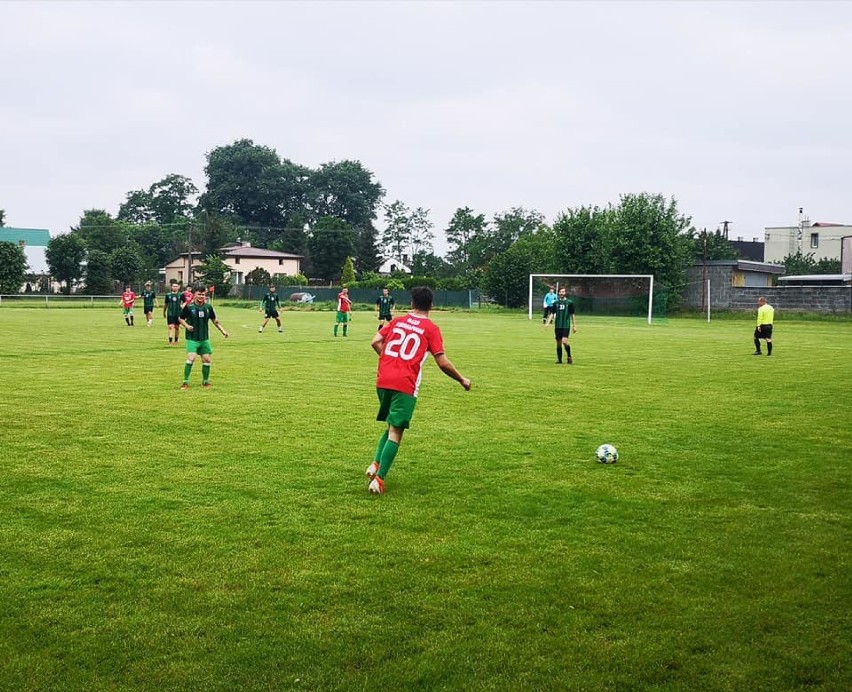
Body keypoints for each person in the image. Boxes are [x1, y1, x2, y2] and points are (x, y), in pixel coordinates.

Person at [366, 286, 471, 494]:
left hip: (383, 379)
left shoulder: (397, 321)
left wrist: (388, 360)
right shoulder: (431, 329)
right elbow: (442, 362)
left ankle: (375, 464)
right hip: (405, 383)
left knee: (390, 425)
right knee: (396, 431)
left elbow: (375, 341)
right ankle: (379, 480)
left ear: (412, 303)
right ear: (431, 305)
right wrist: (462, 379)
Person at [178, 285, 229, 389]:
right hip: (192, 338)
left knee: (207, 360)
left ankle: (205, 382)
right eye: (199, 294)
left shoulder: (208, 307)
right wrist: (187, 326)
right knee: (191, 358)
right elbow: (180, 318)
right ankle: (185, 382)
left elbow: (215, 321)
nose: (201, 296)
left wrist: (223, 331)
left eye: (203, 294)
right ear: (194, 295)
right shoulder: (189, 307)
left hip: (204, 338)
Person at [553, 286, 577, 364]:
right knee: (558, 342)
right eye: (561, 292)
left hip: (566, 325)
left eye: (563, 292)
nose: (562, 293)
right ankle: (559, 360)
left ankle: (569, 356)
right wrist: (547, 323)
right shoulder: (556, 303)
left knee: (564, 341)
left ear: (565, 293)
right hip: (557, 326)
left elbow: (572, 314)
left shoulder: (569, 303)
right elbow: (552, 313)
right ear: (559, 293)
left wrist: (574, 325)